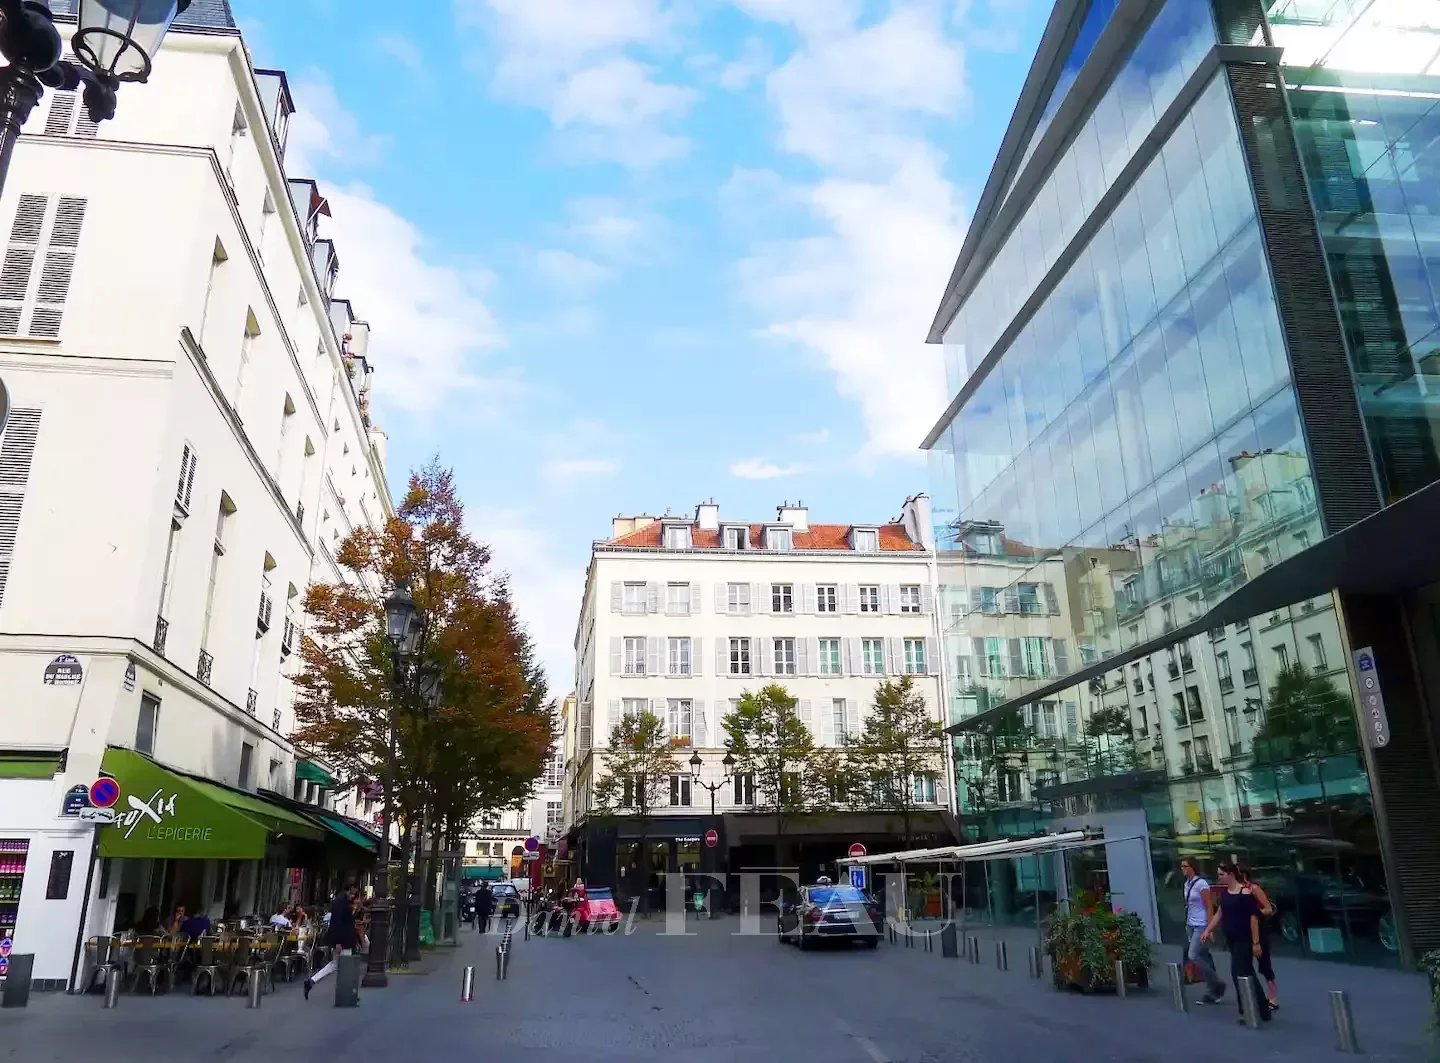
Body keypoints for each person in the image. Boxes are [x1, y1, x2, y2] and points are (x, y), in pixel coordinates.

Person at [1201, 863, 1273, 1024]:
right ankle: (1262, 1009)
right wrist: (1208, 930)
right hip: (1232, 938)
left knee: (1238, 973)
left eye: (1221, 874)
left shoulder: (1245, 892)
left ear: (1231, 874)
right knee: (1248, 973)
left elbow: (1253, 918)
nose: (1219, 877)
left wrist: (1256, 943)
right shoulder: (1225, 893)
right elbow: (1220, 913)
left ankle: (1245, 1009)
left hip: (1245, 939)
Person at [1179, 858, 1226, 1005]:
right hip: (1191, 925)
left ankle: (1217, 983)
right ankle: (1213, 991)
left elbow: (1209, 906)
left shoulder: (1201, 884)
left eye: (1184, 866)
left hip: (1201, 925)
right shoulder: (1186, 884)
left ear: (1192, 867)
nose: (1182, 868)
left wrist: (1209, 927)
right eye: (1181, 866)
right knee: (1203, 956)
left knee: (1193, 955)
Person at [304, 883, 359, 1000]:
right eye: (353, 893)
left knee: (336, 964)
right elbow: (337, 923)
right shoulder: (341, 903)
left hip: (343, 939)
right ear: (350, 890)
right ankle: (345, 992)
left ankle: (312, 981)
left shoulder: (341, 901)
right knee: (345, 965)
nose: (354, 896)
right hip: (344, 940)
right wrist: (338, 941)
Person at [1236, 863, 1280, 1010]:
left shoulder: (1254, 888)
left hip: (1259, 931)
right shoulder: (1238, 890)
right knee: (1244, 965)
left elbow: (1269, 909)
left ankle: (1273, 997)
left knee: (1264, 965)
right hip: (1244, 932)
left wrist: (1254, 913)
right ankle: (1254, 996)